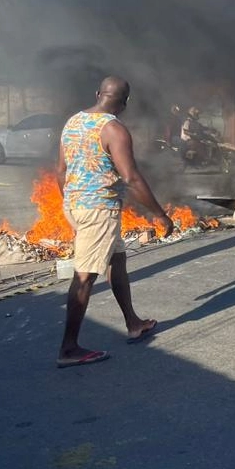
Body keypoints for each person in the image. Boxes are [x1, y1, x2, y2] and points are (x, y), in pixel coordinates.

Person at [56, 77, 174, 368]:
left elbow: (60, 170)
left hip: (76, 205)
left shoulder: (73, 122)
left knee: (117, 260)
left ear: (98, 94)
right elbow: (131, 177)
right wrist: (159, 214)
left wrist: (71, 202)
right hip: (98, 211)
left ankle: (133, 323)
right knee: (84, 277)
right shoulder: (114, 130)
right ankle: (68, 349)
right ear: (125, 103)